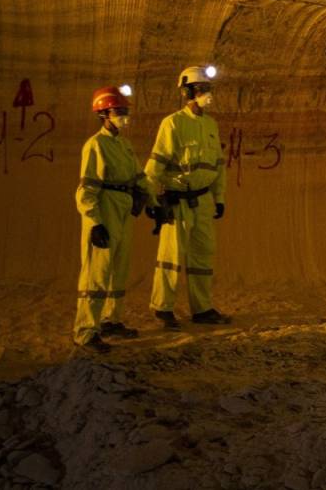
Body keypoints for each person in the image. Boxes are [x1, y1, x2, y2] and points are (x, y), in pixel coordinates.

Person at [145, 65, 230, 330]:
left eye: (209, 90)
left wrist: (219, 198)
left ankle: (202, 309)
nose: (208, 95)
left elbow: (217, 166)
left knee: (202, 256)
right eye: (203, 90)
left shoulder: (210, 125)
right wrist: (151, 200)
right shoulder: (173, 123)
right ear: (188, 92)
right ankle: (163, 308)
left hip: (202, 201)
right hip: (177, 201)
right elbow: (155, 165)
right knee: (171, 257)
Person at [73, 85, 151, 353]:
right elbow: (87, 188)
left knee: (118, 268)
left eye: (125, 111)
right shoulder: (95, 145)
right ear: (104, 114)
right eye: (119, 111)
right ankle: (85, 331)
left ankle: (110, 320)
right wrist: (95, 223)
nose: (124, 116)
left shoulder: (123, 145)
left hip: (123, 209)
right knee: (97, 271)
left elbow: (139, 176)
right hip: (105, 208)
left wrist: (150, 201)